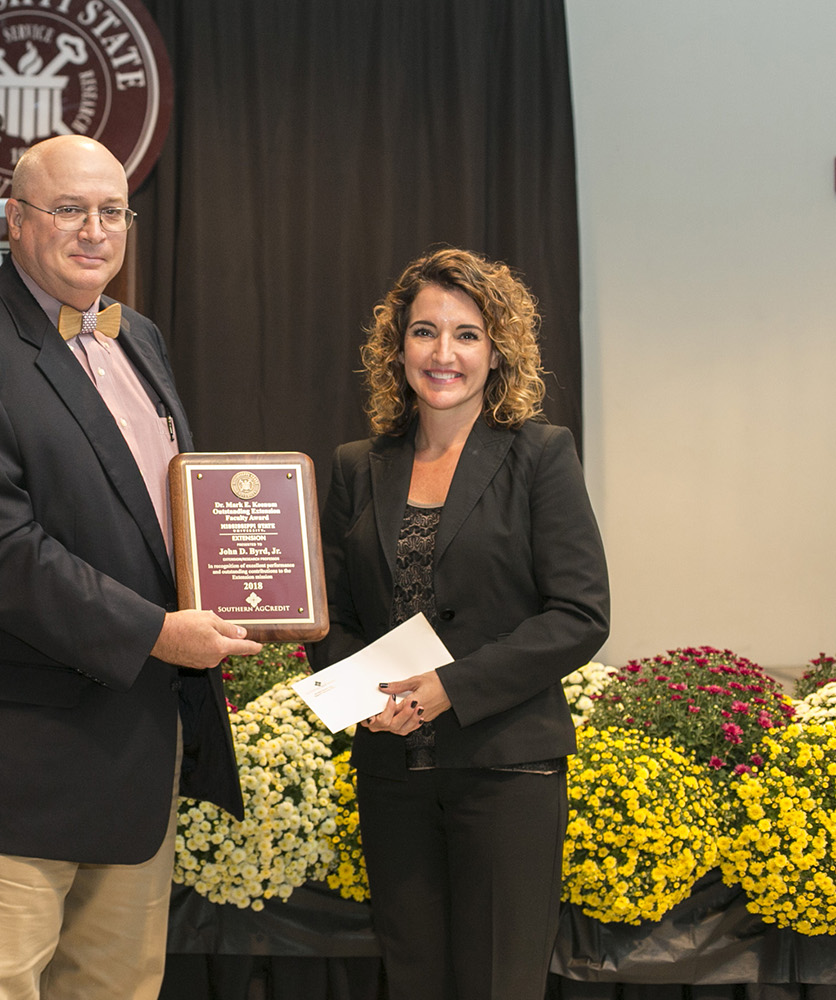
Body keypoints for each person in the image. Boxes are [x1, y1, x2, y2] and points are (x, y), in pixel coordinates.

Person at [0, 134, 261, 1000]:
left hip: (130, 767)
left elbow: (157, 519)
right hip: (4, 779)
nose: (94, 230)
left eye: (111, 211)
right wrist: (158, 632)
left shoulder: (141, 339)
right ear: (15, 222)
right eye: (69, 210)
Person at [313, 247, 609, 999]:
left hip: (506, 771)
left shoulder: (541, 456)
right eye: (424, 332)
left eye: (467, 334)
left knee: (497, 986)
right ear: (397, 347)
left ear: (496, 351)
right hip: (391, 773)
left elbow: (580, 614)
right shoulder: (355, 465)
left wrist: (451, 687)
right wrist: (363, 696)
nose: (444, 353)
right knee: (413, 981)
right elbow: (332, 616)